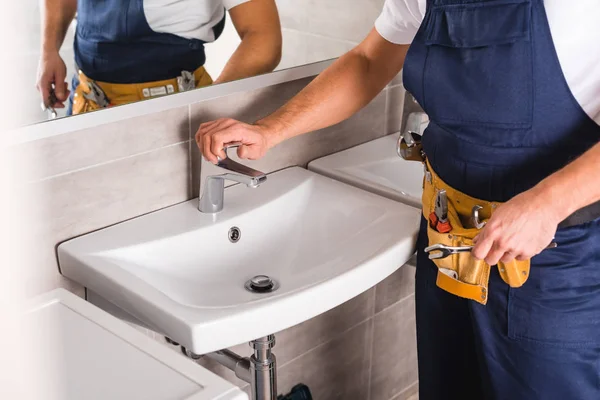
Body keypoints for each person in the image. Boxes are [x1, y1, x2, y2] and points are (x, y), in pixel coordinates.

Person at [195, 0, 600, 399]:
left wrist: (548, 203)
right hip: (447, 243)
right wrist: (270, 131)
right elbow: (368, 62)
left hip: (557, 260)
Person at [36, 0, 281, 115]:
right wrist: (49, 51)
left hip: (174, 110)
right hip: (86, 102)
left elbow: (264, 38)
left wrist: (212, 104)